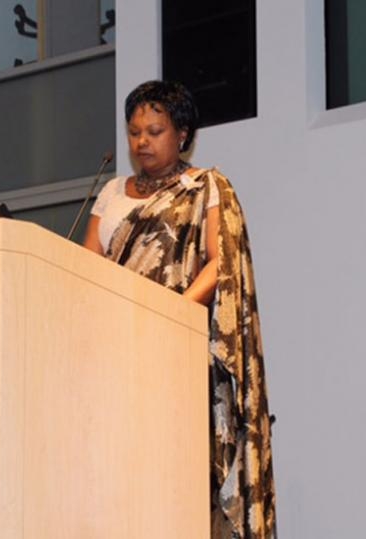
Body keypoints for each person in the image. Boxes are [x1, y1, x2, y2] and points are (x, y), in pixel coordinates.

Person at [84, 80, 276, 538]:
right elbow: (85, 264)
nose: (142, 141)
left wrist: (165, 316)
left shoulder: (206, 187)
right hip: (111, 352)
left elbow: (221, 263)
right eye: (134, 132)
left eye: (154, 130)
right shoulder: (111, 193)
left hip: (174, 350)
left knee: (174, 474)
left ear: (182, 134)